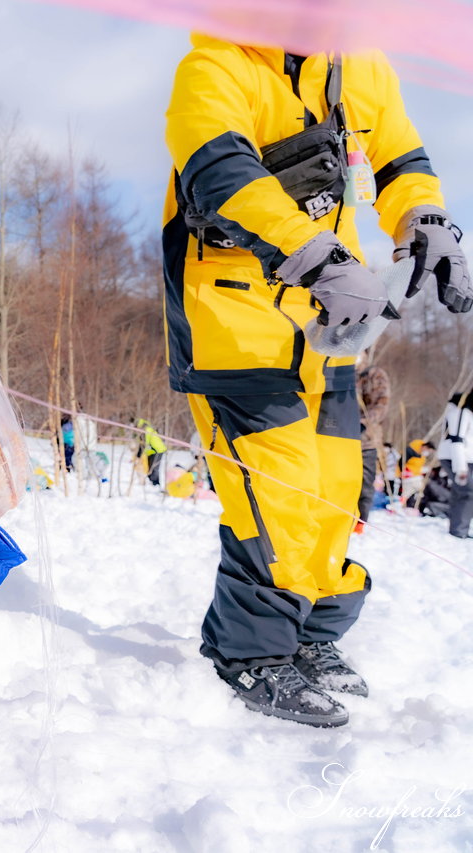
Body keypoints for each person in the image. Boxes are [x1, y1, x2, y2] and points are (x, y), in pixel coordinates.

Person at [162, 36, 473, 726]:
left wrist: (423, 217)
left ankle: (309, 633)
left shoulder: (361, 62)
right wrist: (314, 255)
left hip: (325, 332)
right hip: (232, 328)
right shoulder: (215, 67)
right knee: (279, 489)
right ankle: (249, 652)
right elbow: (222, 172)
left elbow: (398, 156)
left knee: (336, 486)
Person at [355, 360, 391, 530]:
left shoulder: (372, 374)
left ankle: (360, 522)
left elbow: (381, 404)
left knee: (364, 483)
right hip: (337, 435)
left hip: (365, 440)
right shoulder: (337, 369)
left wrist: (363, 422)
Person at [437, 390, 473, 537]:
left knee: (461, 493)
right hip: (456, 459)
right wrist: (461, 469)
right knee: (467, 493)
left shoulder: (467, 414)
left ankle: (459, 527)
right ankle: (459, 530)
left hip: (465, 458)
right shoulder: (460, 413)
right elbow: (456, 440)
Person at [135, 418, 166, 486]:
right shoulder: (147, 429)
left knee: (154, 466)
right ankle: (151, 481)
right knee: (149, 466)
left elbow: (143, 444)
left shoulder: (146, 430)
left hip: (158, 450)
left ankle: (155, 483)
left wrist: (138, 456)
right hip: (152, 451)